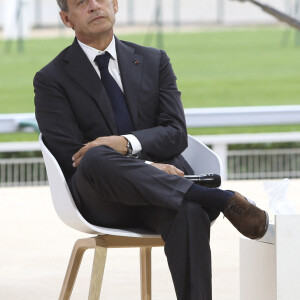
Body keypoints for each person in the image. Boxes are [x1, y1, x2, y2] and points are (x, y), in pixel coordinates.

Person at [34, 0, 269, 299]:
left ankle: (199, 200)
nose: (94, 6)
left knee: (190, 211)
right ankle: (218, 198)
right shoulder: (51, 79)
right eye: (82, 2)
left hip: (163, 196)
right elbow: (71, 156)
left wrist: (127, 143)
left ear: (115, 5)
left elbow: (176, 133)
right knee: (93, 157)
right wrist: (146, 168)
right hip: (104, 197)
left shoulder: (154, 60)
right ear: (67, 19)